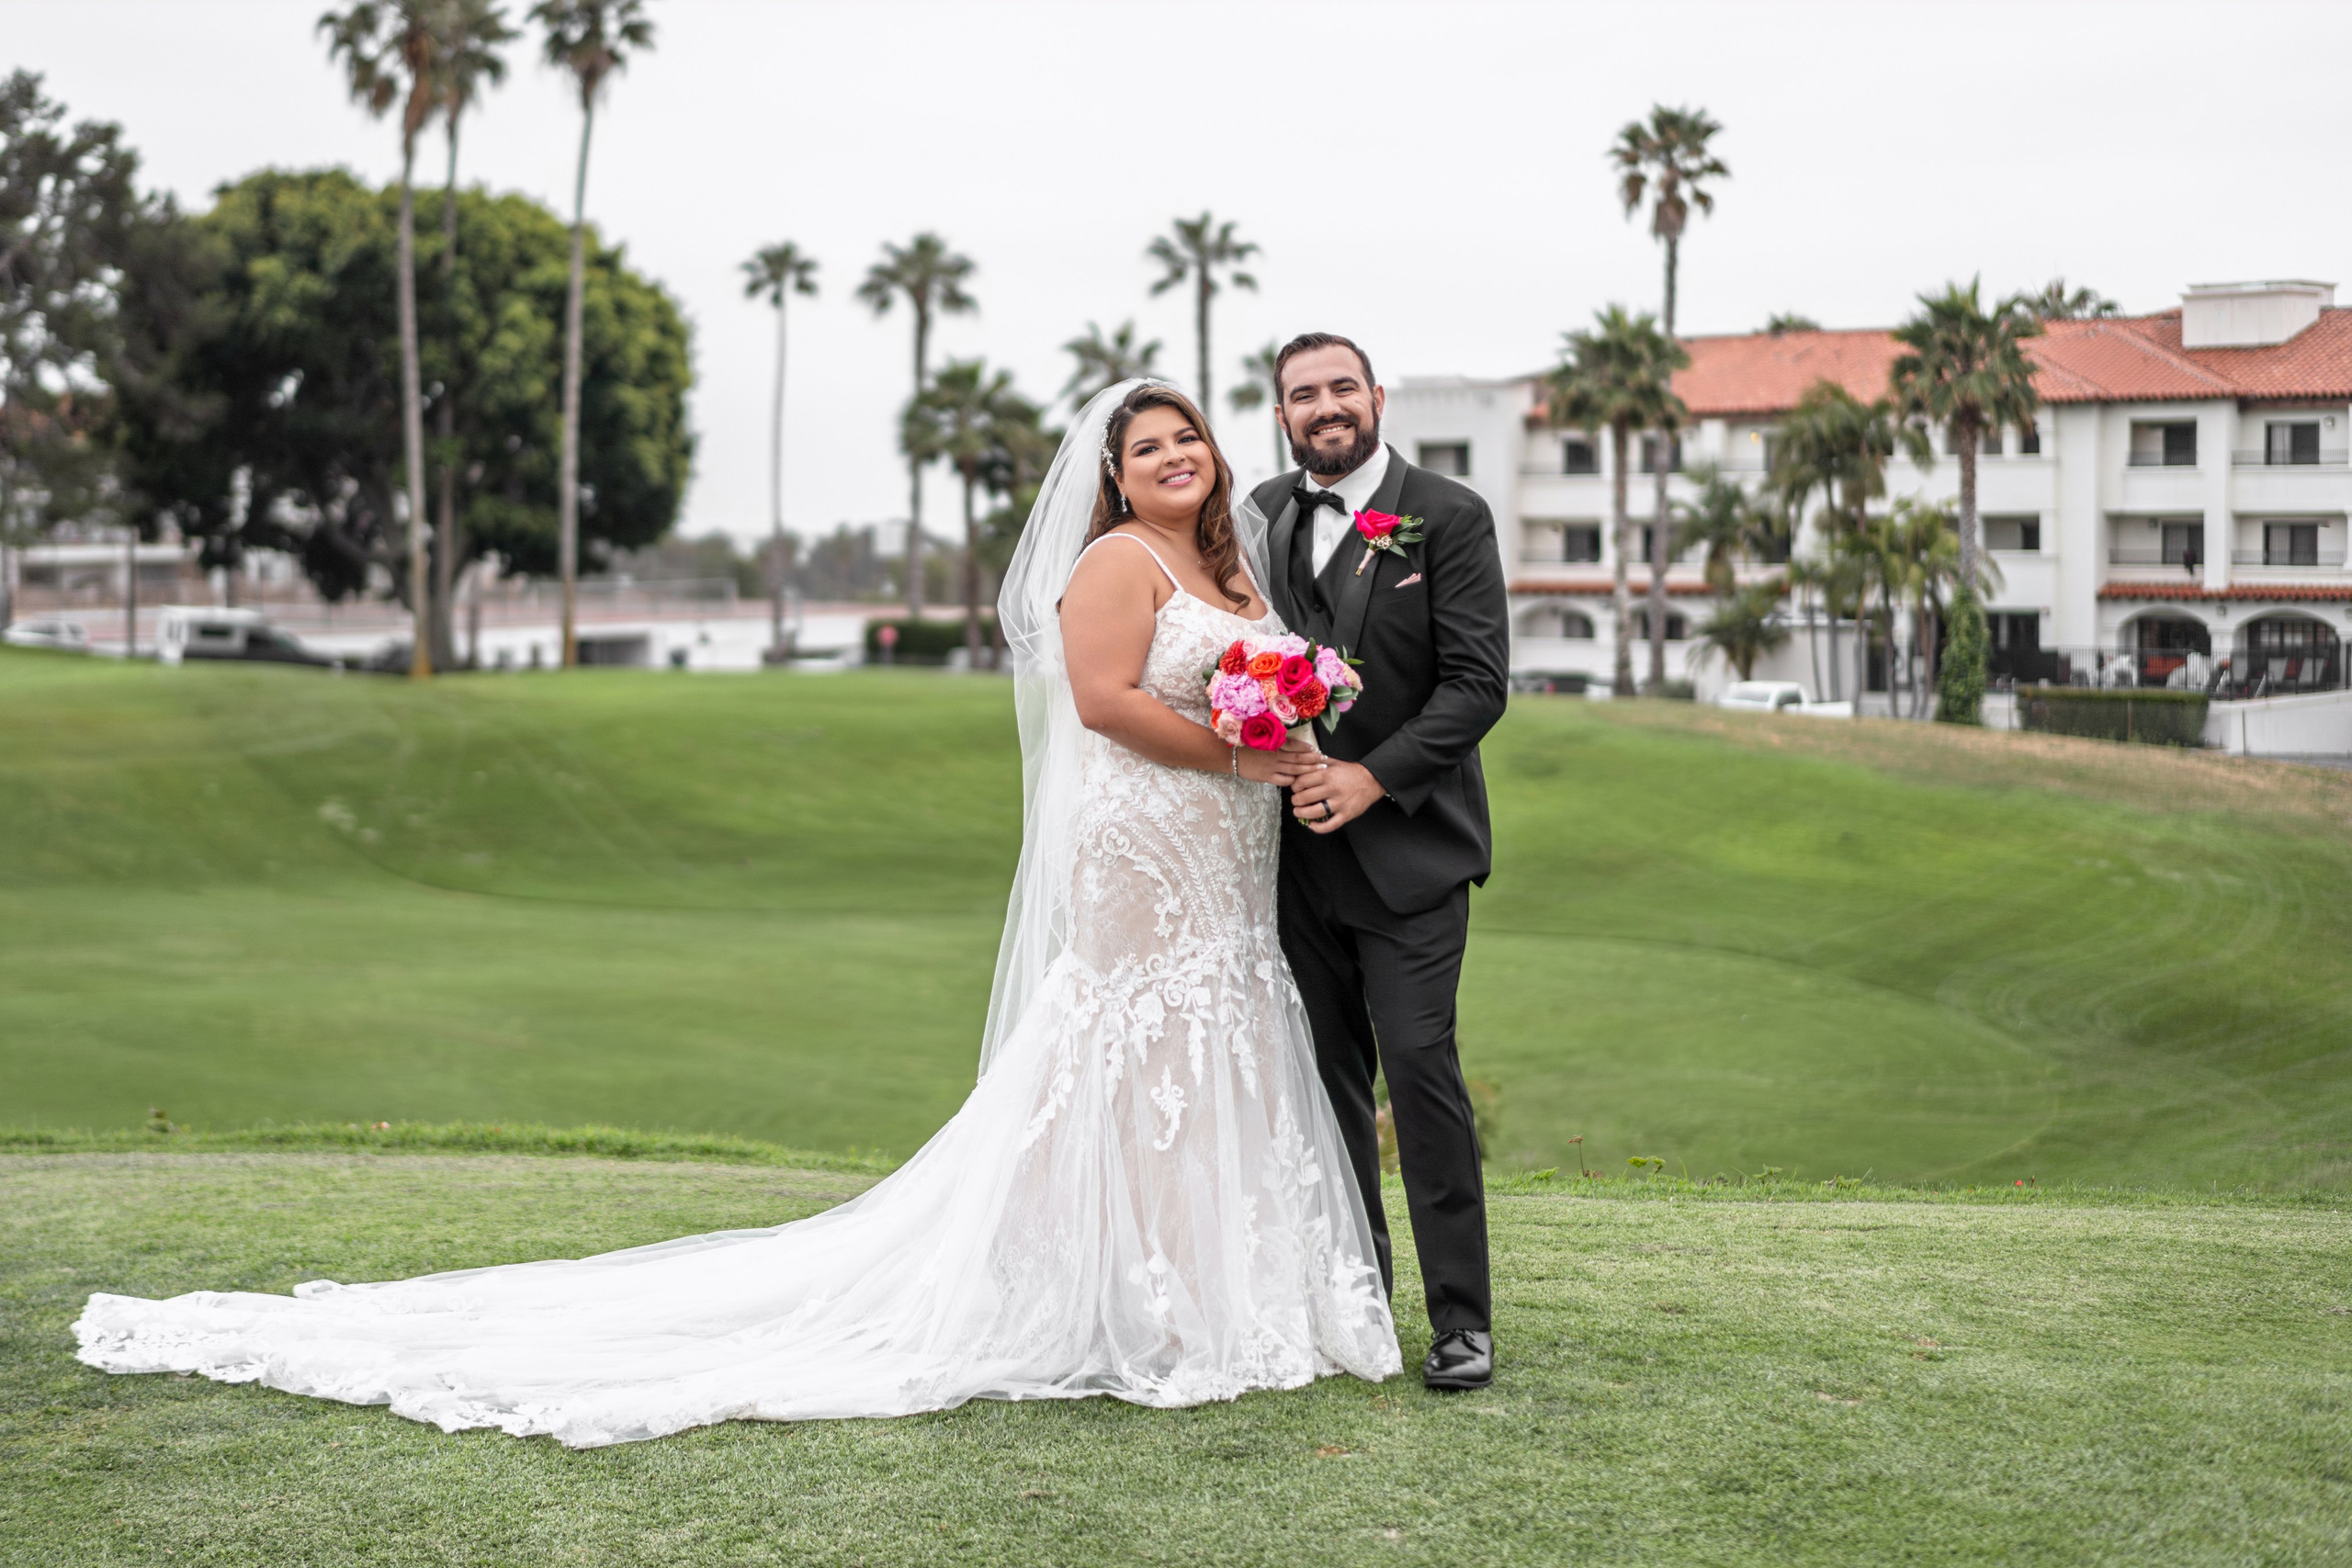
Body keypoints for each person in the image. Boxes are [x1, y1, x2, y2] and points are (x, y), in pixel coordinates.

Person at [74, 381, 1400, 1447]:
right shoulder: (1117, 559)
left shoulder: (1224, 563)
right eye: (1147, 444)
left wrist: (1277, 724)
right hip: (1150, 837)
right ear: (1111, 474)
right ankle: (1155, 1309)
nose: (1174, 456)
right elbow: (1107, 701)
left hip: (1228, 847)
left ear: (1216, 460)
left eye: (1189, 439)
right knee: (1136, 1048)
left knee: (1209, 1035)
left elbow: (1259, 684)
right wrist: (1241, 756)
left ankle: (1212, 1292)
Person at [1237, 333, 1510, 1392]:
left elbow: (1476, 685)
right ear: (1283, 415)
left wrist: (1370, 778)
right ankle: (1358, 1304)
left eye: (1342, 387)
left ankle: (1462, 1321)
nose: (1325, 407)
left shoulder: (1447, 516)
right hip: (1289, 864)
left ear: (1376, 397)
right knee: (1325, 1088)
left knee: (1420, 1072)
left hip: (1409, 857)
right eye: (1303, 395)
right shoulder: (1256, 517)